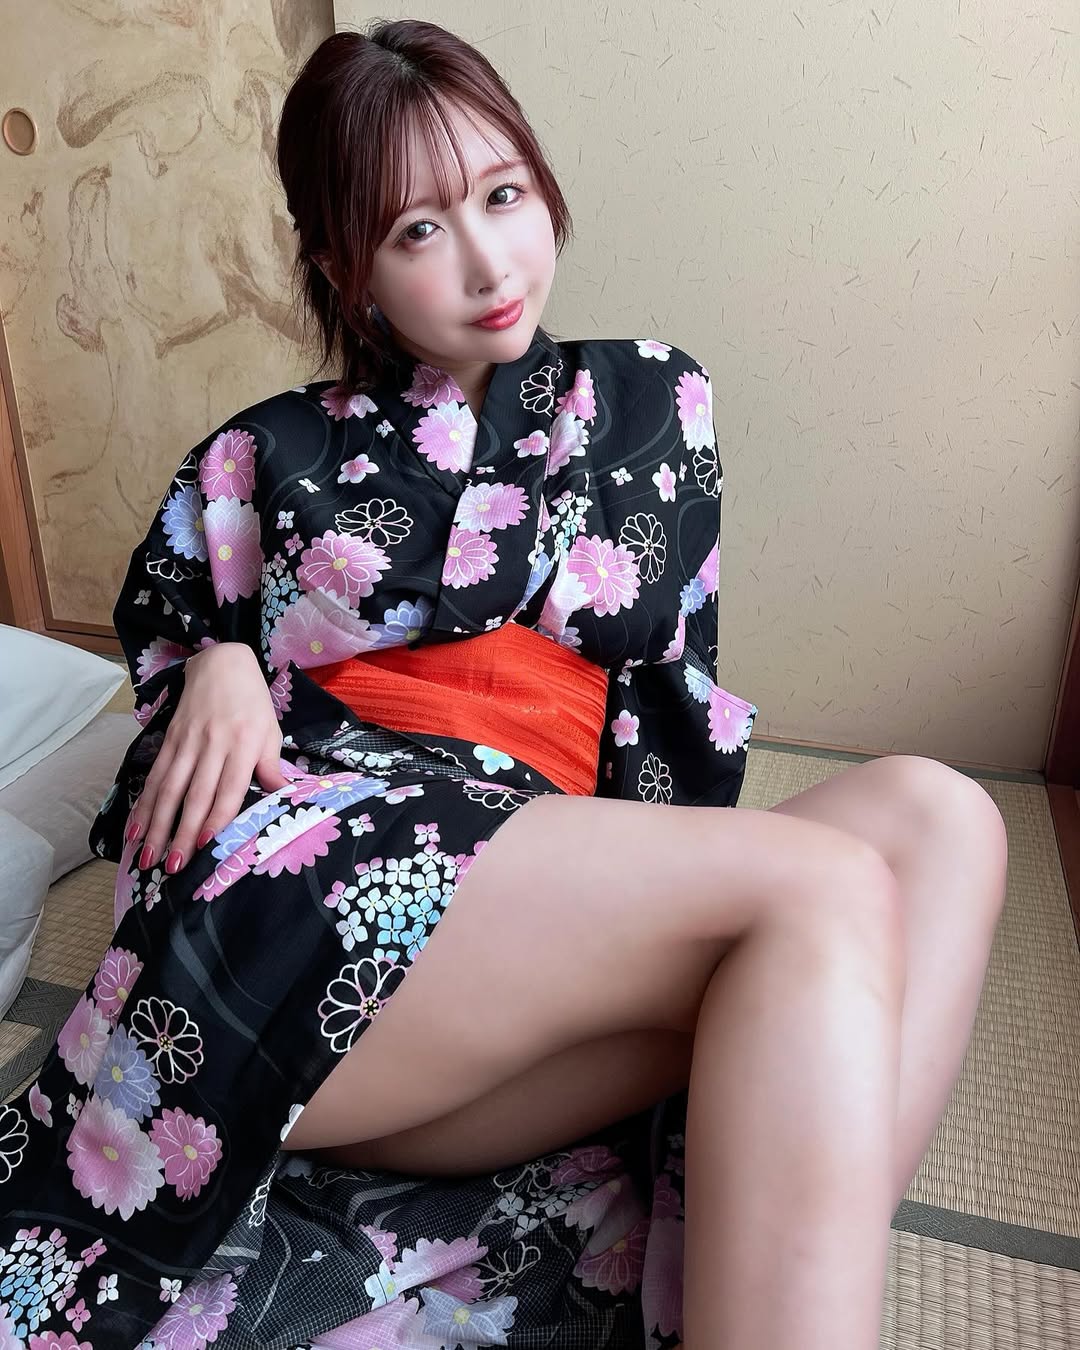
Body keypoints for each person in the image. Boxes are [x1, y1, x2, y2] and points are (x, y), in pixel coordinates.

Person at [0, 19, 1008, 1350]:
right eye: (419, 231)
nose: (486, 262)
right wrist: (220, 664)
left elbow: (669, 715)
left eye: (504, 195)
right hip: (321, 900)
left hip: (521, 942)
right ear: (344, 267)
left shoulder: (655, 403)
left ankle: (785, 1280)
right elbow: (171, 738)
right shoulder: (262, 451)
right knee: (821, 887)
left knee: (941, 817)